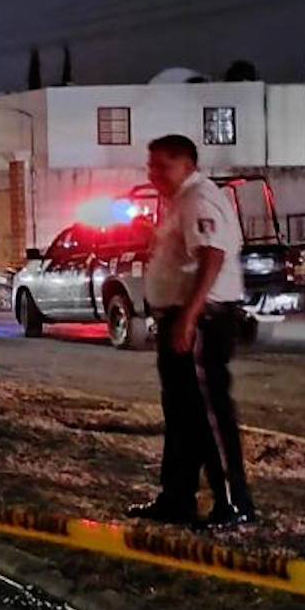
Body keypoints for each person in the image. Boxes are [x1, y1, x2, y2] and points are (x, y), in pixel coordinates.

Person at [128, 134, 256, 529]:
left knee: (209, 413)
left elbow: (212, 256)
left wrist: (188, 317)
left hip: (202, 320)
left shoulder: (199, 198)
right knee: (181, 413)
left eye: (161, 166)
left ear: (187, 165)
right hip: (181, 317)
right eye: (150, 166)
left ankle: (234, 503)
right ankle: (176, 499)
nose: (153, 174)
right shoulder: (181, 201)